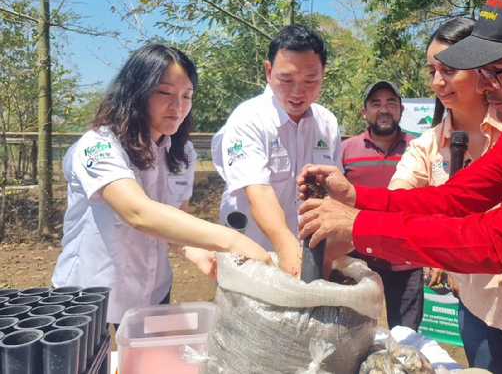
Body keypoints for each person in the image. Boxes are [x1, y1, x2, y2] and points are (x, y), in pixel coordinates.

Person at [297, 0, 502, 374]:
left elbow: (495, 239)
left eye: (496, 71)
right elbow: (453, 197)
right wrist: (358, 198)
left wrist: (357, 225)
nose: (483, 86)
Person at [52, 44, 271, 327]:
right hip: (90, 300)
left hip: (152, 296)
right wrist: (232, 240)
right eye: (165, 93)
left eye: (187, 95)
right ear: (136, 92)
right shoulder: (99, 146)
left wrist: (197, 252)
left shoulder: (182, 152)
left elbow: (173, 222)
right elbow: (139, 213)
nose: (178, 106)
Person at [389, 17, 502, 373]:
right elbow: (398, 202)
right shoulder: (426, 148)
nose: (438, 82)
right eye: (432, 71)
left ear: (481, 67)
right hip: (481, 311)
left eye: (450, 69)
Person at [212, 25, 342, 277]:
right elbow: (258, 192)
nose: (298, 92)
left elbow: (330, 195)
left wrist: (320, 255)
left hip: (307, 260)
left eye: (310, 80)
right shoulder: (248, 119)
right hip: (250, 262)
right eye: (286, 80)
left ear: (323, 74)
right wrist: (289, 250)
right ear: (269, 72)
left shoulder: (327, 124)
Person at [342, 80, 422, 330]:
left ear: (401, 110)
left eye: (391, 103)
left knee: (406, 338)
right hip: (358, 260)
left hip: (407, 261)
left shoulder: (420, 149)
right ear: (364, 112)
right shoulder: (346, 150)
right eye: (376, 103)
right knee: (354, 332)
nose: (384, 109)